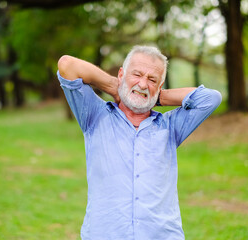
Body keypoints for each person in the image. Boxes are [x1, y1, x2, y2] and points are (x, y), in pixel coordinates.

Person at [57, 45, 221, 240]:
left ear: (160, 86)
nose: (143, 84)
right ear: (121, 74)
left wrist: (157, 97)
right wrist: (114, 86)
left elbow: (211, 99)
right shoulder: (94, 115)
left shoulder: (170, 126)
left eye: (152, 80)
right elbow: (67, 65)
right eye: (137, 75)